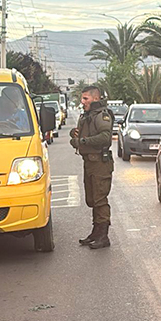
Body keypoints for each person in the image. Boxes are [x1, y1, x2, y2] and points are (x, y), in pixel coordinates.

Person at [69, 85, 114, 249]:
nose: (82, 102)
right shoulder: (87, 115)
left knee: (100, 199)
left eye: (86, 98)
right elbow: (82, 134)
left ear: (96, 98)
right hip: (89, 162)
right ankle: (96, 232)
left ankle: (103, 236)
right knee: (92, 199)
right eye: (82, 98)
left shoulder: (102, 116)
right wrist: (75, 135)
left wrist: (82, 141)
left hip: (100, 163)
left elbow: (105, 137)